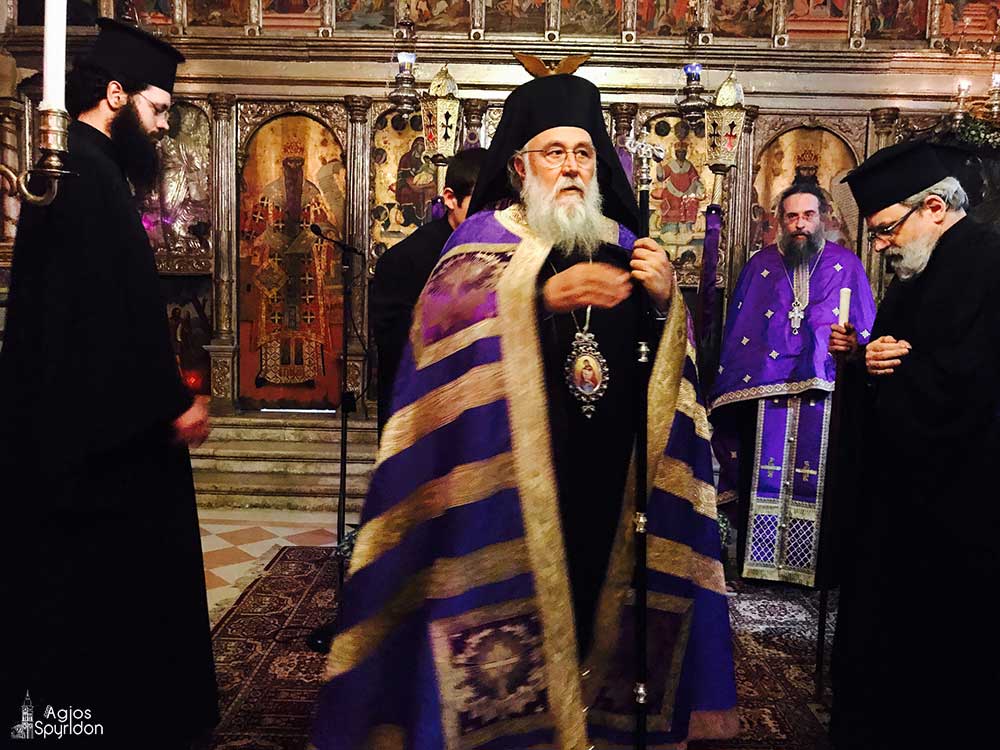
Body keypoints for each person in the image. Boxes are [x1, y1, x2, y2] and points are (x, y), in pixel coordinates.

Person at [312, 72, 737, 750]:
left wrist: (665, 303)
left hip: (609, 479)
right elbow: (438, 333)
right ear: (519, 166)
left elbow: (664, 370)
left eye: (583, 153)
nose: (571, 166)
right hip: (509, 485)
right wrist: (533, 300)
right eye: (554, 152)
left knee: (601, 603)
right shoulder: (481, 241)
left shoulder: (625, 243)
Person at [0, 20, 218, 748]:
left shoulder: (89, 171)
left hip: (95, 419)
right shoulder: (80, 175)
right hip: (101, 436)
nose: (162, 127)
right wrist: (172, 403)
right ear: (116, 95)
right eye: (158, 109)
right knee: (111, 593)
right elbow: (106, 319)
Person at [829, 140, 1000, 749]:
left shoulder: (988, 263)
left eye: (884, 229)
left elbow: (971, 382)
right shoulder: (918, 268)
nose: (879, 246)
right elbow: (901, 355)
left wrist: (891, 372)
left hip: (962, 504)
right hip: (903, 498)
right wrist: (863, 360)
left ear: (933, 207)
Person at [710, 183, 876, 587]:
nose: (800, 224)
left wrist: (854, 344)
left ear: (824, 218)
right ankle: (759, 566)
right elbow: (742, 331)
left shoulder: (846, 265)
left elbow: (866, 330)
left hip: (825, 394)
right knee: (760, 473)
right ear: (780, 221)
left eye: (808, 215)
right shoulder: (759, 266)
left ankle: (816, 570)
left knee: (823, 480)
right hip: (763, 393)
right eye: (792, 216)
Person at [370, 147, 486, 437]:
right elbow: (396, 350)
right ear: (450, 198)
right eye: (480, 205)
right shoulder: (403, 261)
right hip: (423, 413)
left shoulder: (505, 253)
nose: (490, 217)